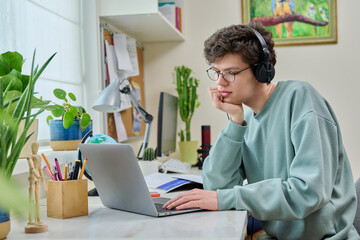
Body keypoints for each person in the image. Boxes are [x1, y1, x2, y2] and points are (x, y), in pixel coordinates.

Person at [163, 22, 359, 239]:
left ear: (262, 70)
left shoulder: (301, 99)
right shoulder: (245, 119)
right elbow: (217, 187)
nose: (220, 83)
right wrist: (235, 122)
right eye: (217, 72)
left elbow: (308, 192)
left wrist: (227, 198)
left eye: (230, 73)